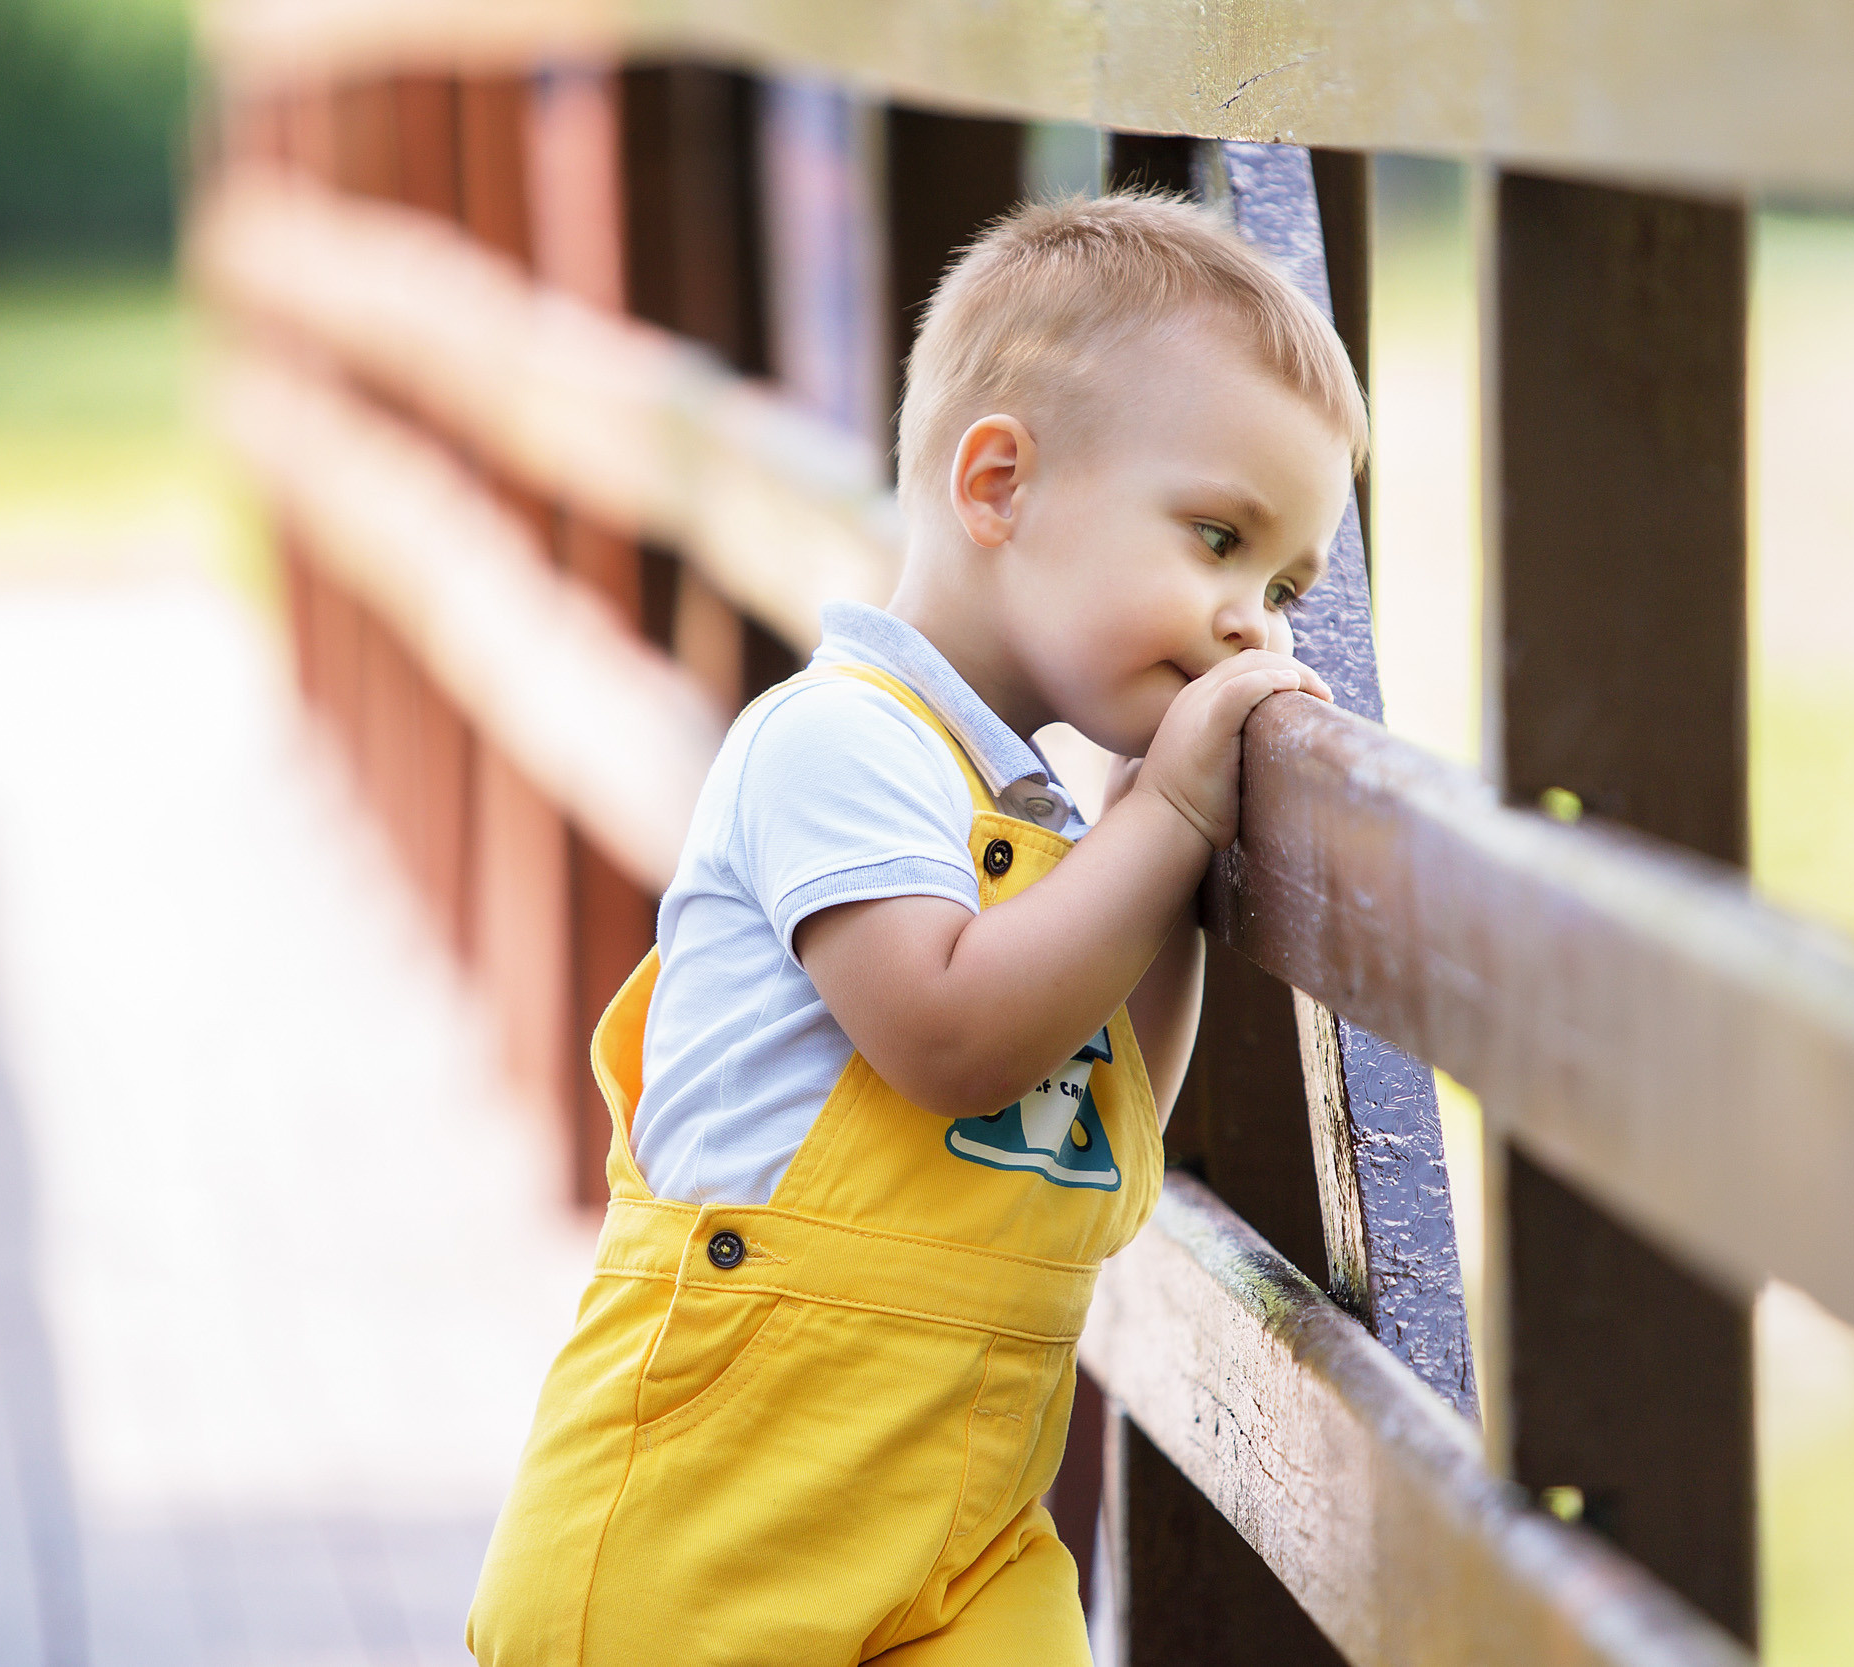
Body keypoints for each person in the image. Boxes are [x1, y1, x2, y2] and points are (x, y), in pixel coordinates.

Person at [466, 189, 1366, 1665]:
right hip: (710, 1527)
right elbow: (952, 1038)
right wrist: (1168, 825)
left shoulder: (1056, 833)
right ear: (998, 483)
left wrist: (1167, 856)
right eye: (1216, 538)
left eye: (1283, 587)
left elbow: (1113, 1113)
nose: (1253, 623)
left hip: (964, 1526)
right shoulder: (837, 744)